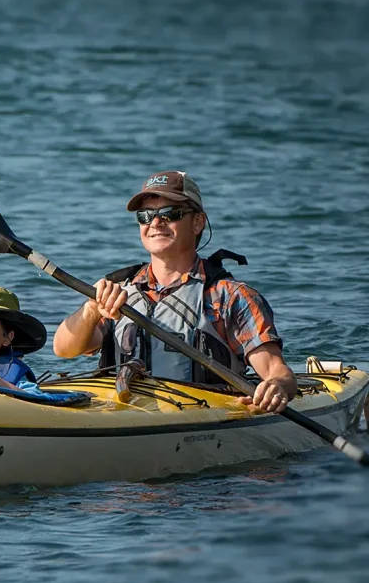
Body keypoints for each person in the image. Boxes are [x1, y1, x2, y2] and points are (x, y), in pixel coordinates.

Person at [52, 170, 297, 413]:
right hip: (124, 413)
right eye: (145, 216)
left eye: (170, 214)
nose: (156, 223)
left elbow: (278, 371)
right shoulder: (120, 292)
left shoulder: (230, 297)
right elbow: (64, 349)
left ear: (198, 222)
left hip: (202, 420)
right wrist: (92, 309)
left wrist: (275, 386)